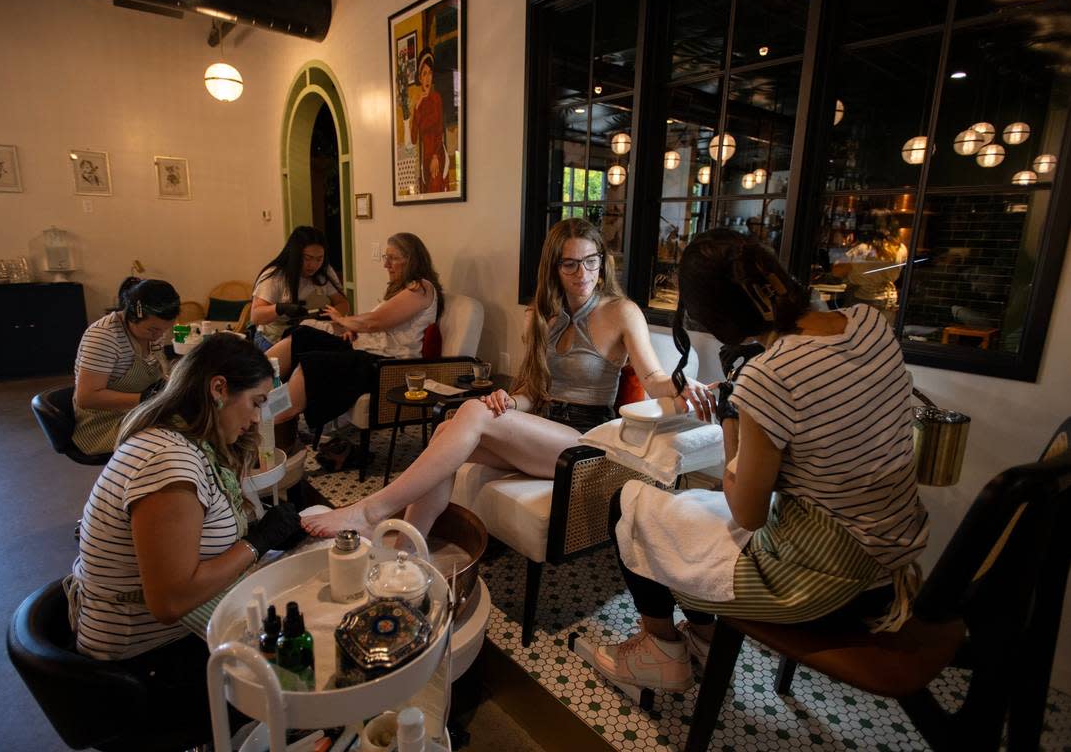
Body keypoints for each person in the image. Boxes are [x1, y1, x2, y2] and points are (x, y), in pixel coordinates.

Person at [592, 228, 929, 692]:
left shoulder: (770, 375)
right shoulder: (870, 322)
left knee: (629, 504)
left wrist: (736, 407)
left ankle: (661, 650)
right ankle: (707, 638)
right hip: (891, 559)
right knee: (687, 515)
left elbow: (746, 511)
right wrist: (745, 393)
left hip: (823, 582)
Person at [302, 218, 715, 539]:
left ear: (602, 261)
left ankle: (372, 511)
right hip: (542, 430)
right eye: (570, 263)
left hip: (586, 442)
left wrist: (682, 384)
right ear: (554, 267)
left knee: (468, 413)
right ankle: (408, 545)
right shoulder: (539, 314)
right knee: (449, 427)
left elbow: (655, 376)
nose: (582, 273)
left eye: (591, 261)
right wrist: (508, 401)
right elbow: (531, 393)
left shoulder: (621, 311)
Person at [67, 333, 305, 730]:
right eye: (256, 403)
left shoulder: (182, 440)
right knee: (298, 661)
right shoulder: (167, 464)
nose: (257, 419)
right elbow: (171, 602)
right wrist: (257, 542)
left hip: (150, 638)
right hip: (142, 663)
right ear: (218, 388)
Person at [267, 232, 444, 429]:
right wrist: (353, 328)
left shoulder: (421, 288)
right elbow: (376, 325)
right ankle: (251, 388)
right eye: (386, 258)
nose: (386, 265)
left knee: (312, 363)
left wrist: (344, 321)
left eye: (393, 258)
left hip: (386, 363)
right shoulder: (403, 289)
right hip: (367, 350)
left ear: (412, 260)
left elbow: (375, 322)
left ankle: (267, 417)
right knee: (302, 336)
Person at [72, 277, 179, 456]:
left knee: (200, 421)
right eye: (152, 330)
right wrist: (146, 398)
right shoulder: (104, 337)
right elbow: (87, 397)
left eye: (164, 329)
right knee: (177, 436)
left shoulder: (153, 331)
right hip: (104, 424)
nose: (159, 335)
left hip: (139, 411)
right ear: (131, 315)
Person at [250, 226, 350, 351]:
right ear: (295, 255)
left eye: (319, 259)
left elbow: (342, 303)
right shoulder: (276, 276)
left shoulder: (325, 272)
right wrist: (281, 308)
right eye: (307, 258)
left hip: (312, 333)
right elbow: (255, 316)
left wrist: (327, 316)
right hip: (275, 338)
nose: (313, 265)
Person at [409, 50, 447, 194]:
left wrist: (436, 156)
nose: (427, 78)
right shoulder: (418, 105)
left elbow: (440, 130)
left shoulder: (436, 98)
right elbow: (413, 139)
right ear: (419, 77)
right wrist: (417, 107)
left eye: (430, 73)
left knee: (435, 188)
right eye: (424, 74)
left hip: (437, 155)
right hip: (425, 159)